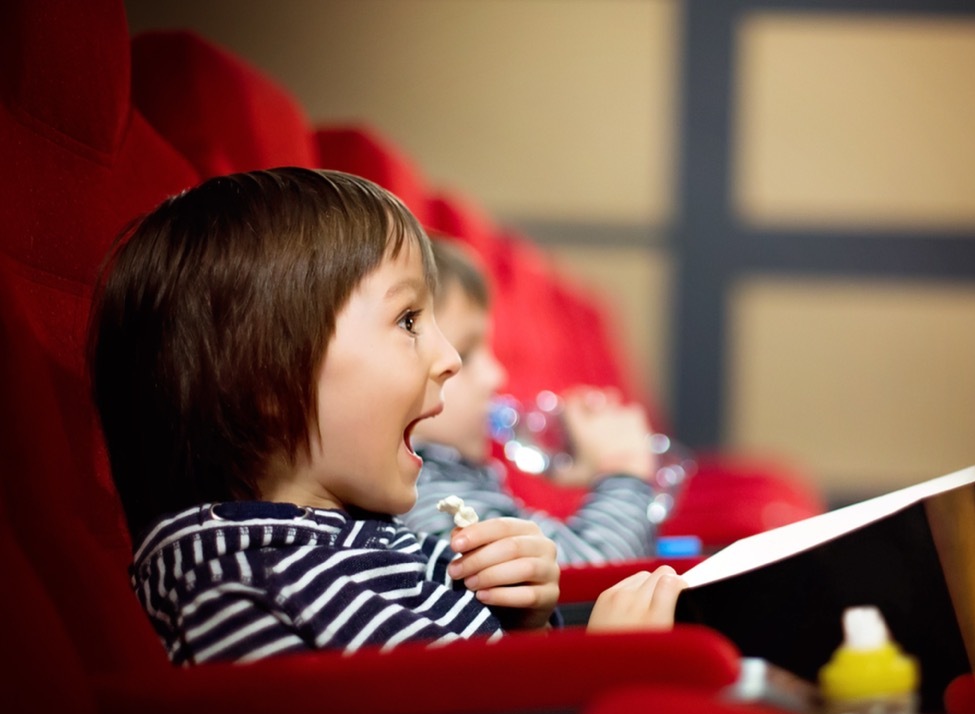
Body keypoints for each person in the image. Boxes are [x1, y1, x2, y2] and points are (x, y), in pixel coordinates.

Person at [89, 167, 684, 665]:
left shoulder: (361, 538)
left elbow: (463, 681)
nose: (448, 360)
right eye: (407, 322)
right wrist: (599, 667)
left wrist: (524, 624)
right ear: (268, 381)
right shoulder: (232, 581)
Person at [400, 235, 660, 565]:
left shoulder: (453, 480)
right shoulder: (431, 499)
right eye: (465, 354)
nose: (496, 377)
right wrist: (623, 471)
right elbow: (582, 577)